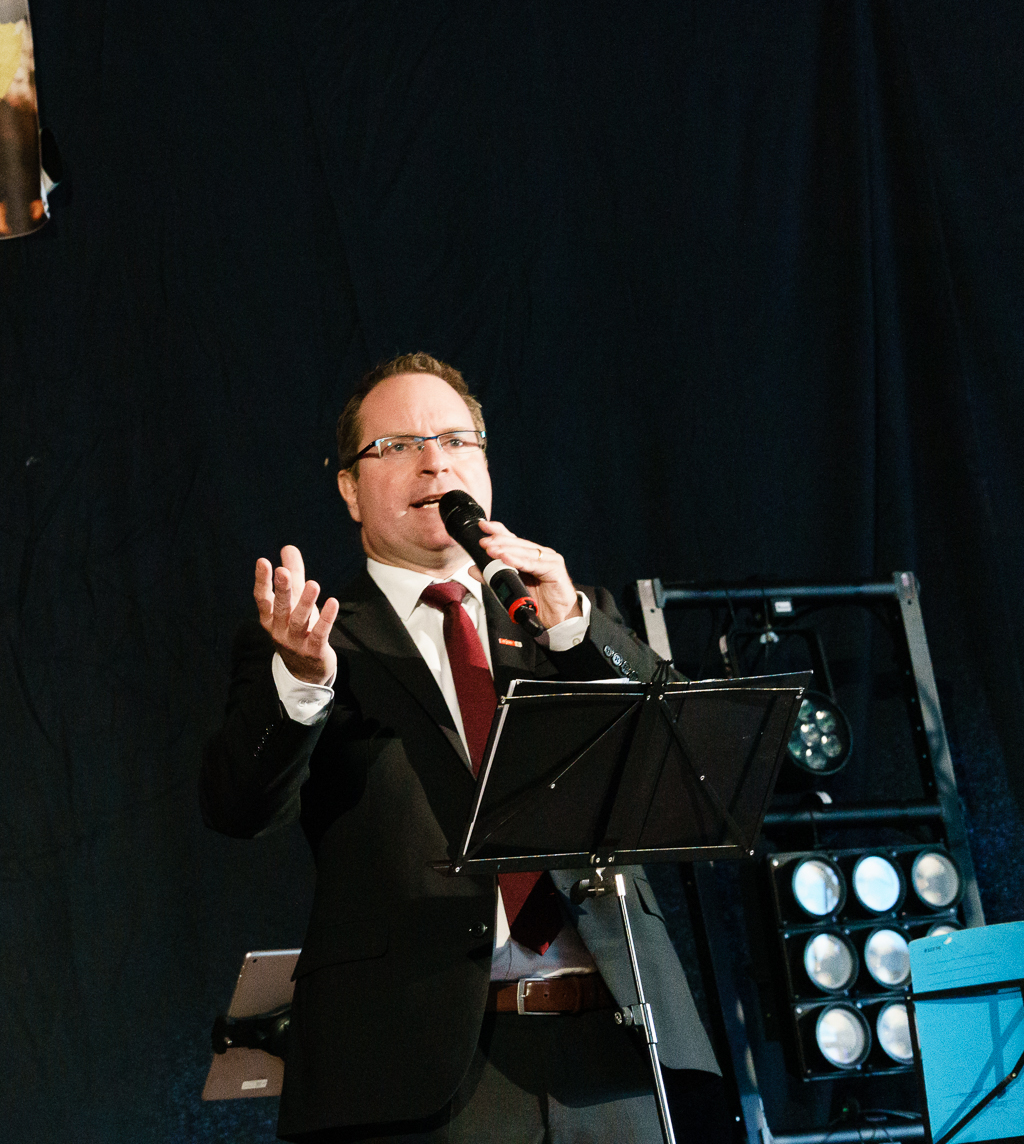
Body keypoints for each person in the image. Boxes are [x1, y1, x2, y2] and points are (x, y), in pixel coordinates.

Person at [200, 352, 722, 1144]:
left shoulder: (562, 615)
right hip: (415, 1072)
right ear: (350, 488)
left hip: (614, 1056)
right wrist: (301, 681)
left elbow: (698, 765)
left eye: (455, 440)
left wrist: (578, 630)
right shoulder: (316, 640)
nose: (435, 461)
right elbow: (236, 805)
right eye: (399, 445)